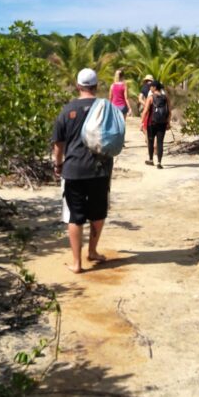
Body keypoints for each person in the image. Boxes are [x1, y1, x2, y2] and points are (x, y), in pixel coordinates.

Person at [52, 67, 112, 274]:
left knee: (75, 216)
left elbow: (58, 144)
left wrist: (58, 165)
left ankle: (77, 263)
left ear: (78, 86)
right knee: (98, 213)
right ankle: (93, 251)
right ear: (96, 86)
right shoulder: (106, 108)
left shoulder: (67, 110)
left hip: (73, 170)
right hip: (100, 170)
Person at [141, 80, 171, 169]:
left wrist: (142, 122)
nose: (150, 88)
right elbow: (169, 112)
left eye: (151, 86)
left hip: (151, 123)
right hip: (162, 123)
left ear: (154, 87)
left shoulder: (150, 97)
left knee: (150, 141)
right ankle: (159, 162)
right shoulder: (166, 97)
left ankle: (150, 160)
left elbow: (145, 111)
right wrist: (168, 122)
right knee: (160, 142)